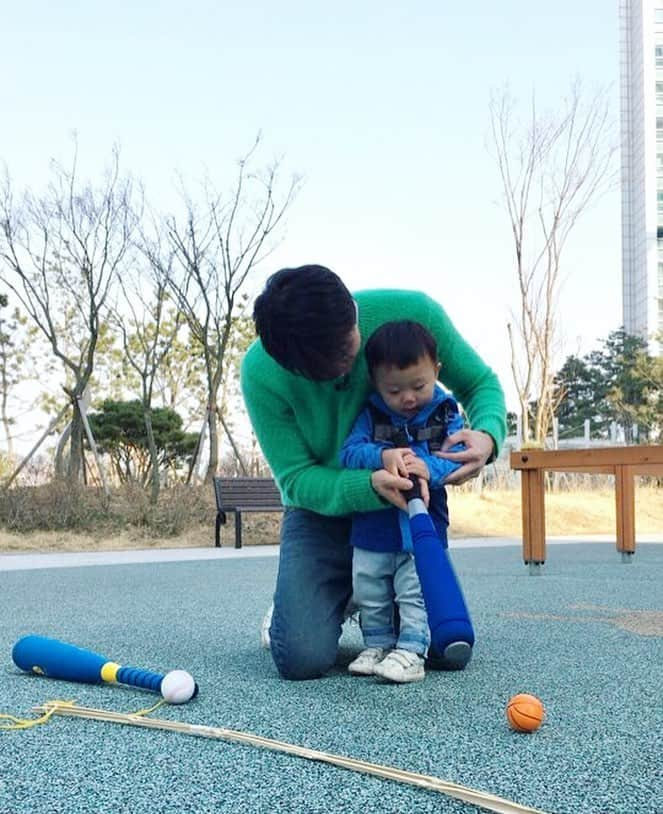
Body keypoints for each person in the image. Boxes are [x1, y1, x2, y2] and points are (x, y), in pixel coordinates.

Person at [241, 264, 506, 681]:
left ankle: (349, 591)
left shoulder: (413, 314)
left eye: (348, 357)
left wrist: (488, 437)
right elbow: (295, 479)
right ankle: (322, 594)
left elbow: (480, 384)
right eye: (320, 373)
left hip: (403, 510)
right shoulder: (261, 372)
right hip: (323, 509)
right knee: (300, 658)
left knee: (441, 649)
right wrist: (368, 485)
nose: (342, 375)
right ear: (287, 363)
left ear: (353, 311)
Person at [339, 320, 464, 684]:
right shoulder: (371, 413)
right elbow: (349, 452)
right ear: (376, 383)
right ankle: (377, 644)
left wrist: (429, 466)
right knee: (369, 586)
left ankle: (412, 650)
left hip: (422, 525)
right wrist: (381, 457)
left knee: (415, 588)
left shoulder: (446, 414)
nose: (408, 398)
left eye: (419, 386)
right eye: (394, 390)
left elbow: (458, 457)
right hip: (373, 525)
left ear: (436, 371)